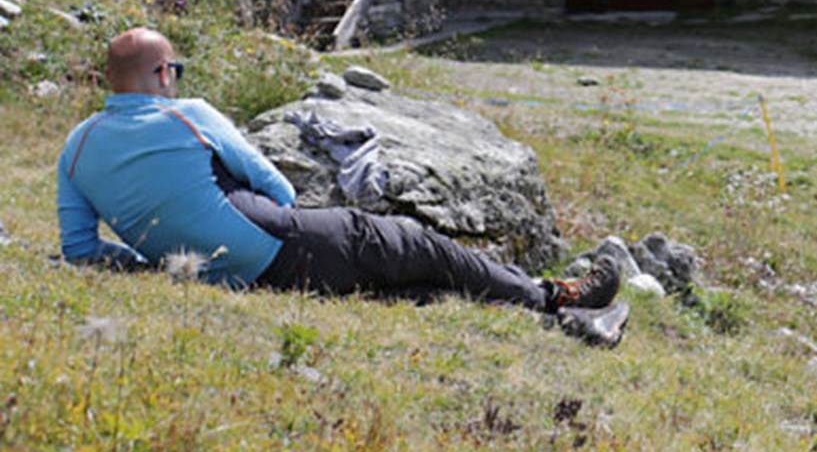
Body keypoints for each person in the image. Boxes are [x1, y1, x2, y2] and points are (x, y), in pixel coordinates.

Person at [57, 28, 626, 339]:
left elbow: (81, 249)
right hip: (281, 240)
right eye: (174, 70)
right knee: (420, 246)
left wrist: (154, 259)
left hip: (234, 281)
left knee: (401, 293)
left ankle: (562, 324)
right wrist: (288, 228)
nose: (176, 80)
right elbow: (273, 184)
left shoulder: (75, 149)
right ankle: (556, 297)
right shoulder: (189, 114)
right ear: (162, 74)